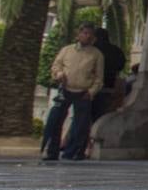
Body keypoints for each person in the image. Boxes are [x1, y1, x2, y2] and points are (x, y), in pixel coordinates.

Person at [42, 23, 104, 162]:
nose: (87, 36)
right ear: (79, 34)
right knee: (55, 121)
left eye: (90, 34)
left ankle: (74, 152)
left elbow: (99, 78)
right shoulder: (67, 50)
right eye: (85, 33)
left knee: (81, 124)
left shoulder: (96, 54)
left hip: (83, 92)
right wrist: (58, 74)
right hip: (65, 89)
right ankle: (52, 151)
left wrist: (91, 91)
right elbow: (56, 65)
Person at [91, 28, 127, 123]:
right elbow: (121, 65)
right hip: (108, 86)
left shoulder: (92, 49)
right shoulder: (116, 51)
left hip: (90, 87)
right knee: (101, 116)